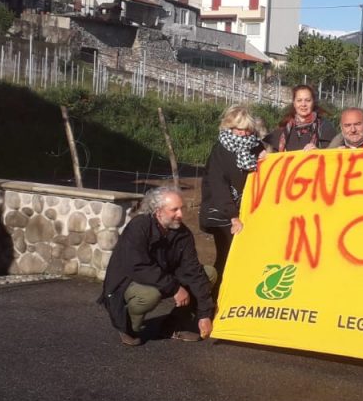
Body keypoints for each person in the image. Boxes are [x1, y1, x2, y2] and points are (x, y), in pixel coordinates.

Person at [97, 187, 216, 347]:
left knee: (209, 273)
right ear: (158, 211)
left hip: (162, 277)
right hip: (128, 280)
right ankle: (128, 328)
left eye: (182, 208)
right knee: (150, 294)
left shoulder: (183, 234)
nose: (181, 214)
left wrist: (204, 314)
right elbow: (138, 267)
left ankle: (173, 326)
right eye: (174, 209)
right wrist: (175, 288)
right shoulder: (139, 226)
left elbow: (193, 270)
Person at [200, 104, 267, 272]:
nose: (243, 133)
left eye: (247, 129)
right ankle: (215, 293)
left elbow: (262, 158)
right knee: (227, 254)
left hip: (242, 208)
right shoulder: (220, 151)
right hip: (221, 211)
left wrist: (264, 154)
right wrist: (233, 216)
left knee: (244, 253)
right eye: (239, 129)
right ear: (229, 127)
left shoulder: (253, 145)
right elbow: (218, 186)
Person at [266, 84, 337, 152]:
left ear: (313, 102)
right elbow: (261, 147)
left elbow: (333, 154)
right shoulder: (283, 127)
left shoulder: (324, 127)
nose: (303, 104)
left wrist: (318, 152)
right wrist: (264, 153)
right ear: (294, 103)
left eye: (308, 100)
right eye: (299, 100)